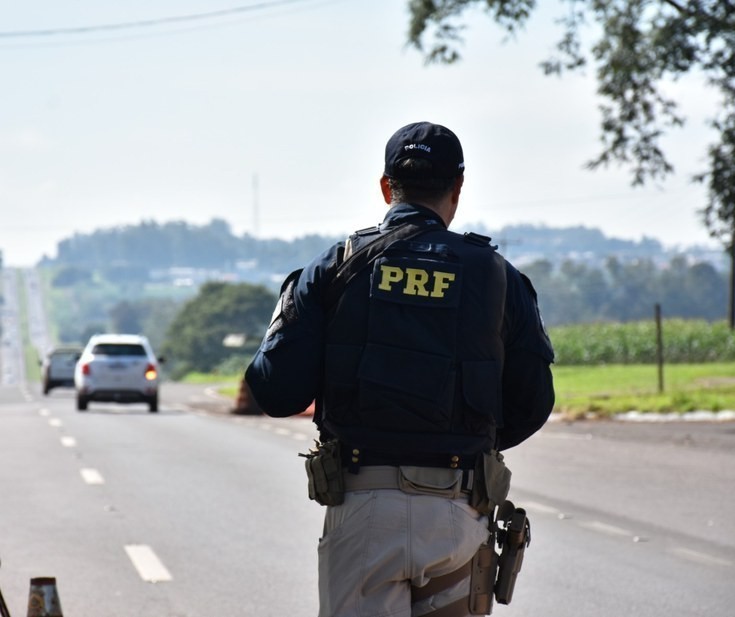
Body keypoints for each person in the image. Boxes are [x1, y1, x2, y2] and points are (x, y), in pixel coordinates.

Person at [245, 121, 555, 617]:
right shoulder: (499, 276)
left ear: (387, 188)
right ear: (457, 189)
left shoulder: (333, 268)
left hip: (364, 510)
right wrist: (467, 441)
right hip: (460, 513)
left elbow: (275, 390)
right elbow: (533, 402)